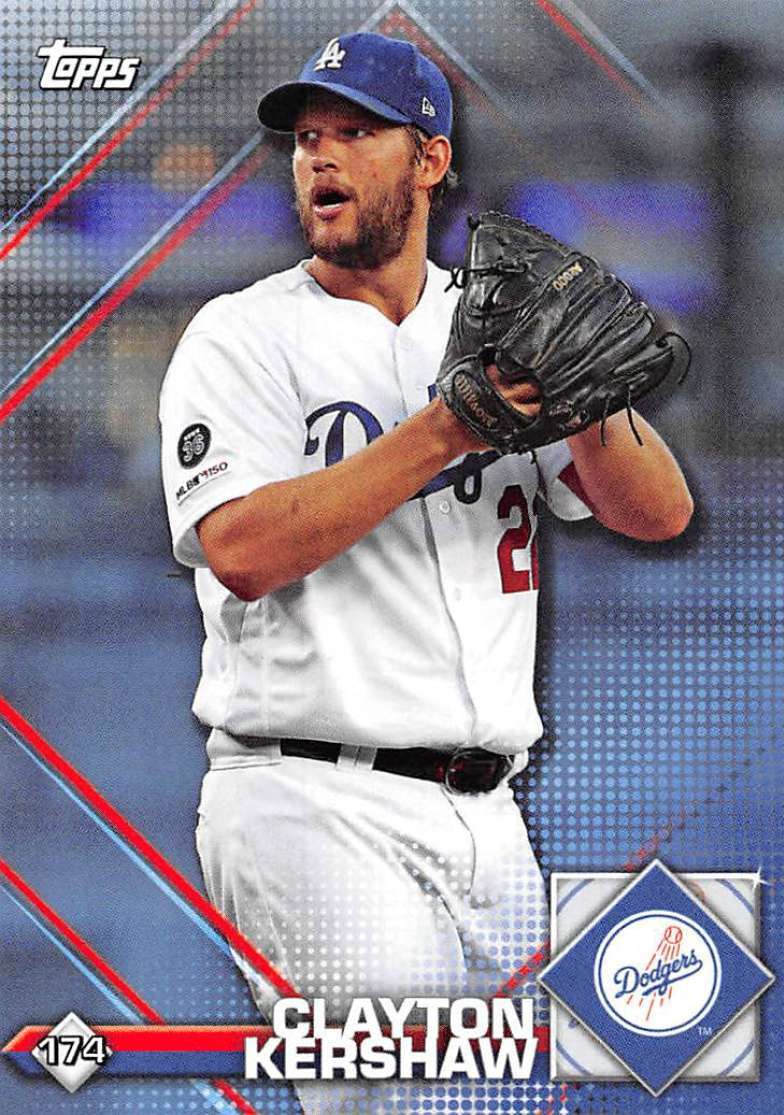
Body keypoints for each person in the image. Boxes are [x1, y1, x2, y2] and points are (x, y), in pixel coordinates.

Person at [159, 31, 693, 1113]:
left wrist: (586, 396)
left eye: (356, 132)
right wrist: (449, 428)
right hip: (309, 798)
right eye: (306, 137)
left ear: (430, 159)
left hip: (491, 821)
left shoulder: (498, 326)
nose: (320, 156)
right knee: (401, 1098)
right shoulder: (242, 336)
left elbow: (657, 512)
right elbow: (242, 551)